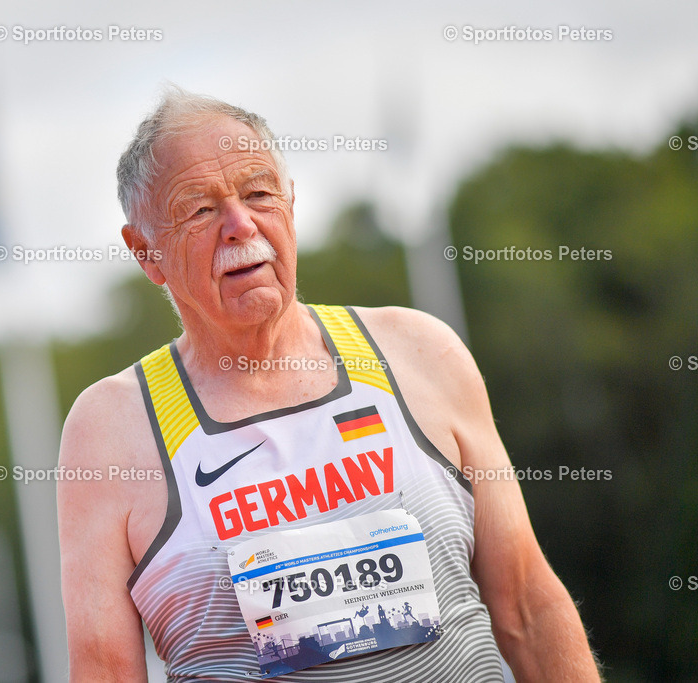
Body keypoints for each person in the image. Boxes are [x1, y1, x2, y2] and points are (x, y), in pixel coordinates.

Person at [57, 87, 601, 682]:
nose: (241, 226)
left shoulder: (419, 350)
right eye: (200, 209)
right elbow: (104, 672)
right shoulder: (110, 430)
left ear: (290, 202)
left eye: (259, 193)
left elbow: (525, 604)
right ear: (146, 252)